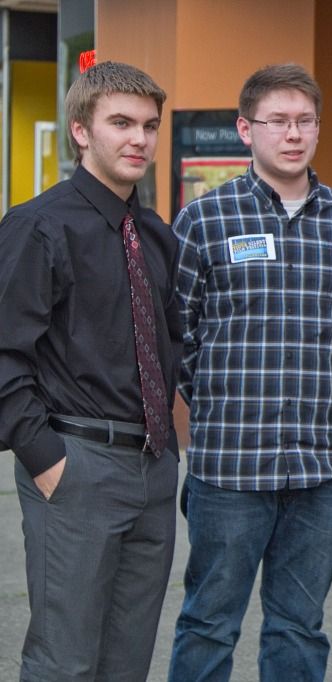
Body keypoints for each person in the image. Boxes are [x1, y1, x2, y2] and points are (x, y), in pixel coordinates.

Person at [169, 63, 332, 681]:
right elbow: (178, 333)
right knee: (209, 622)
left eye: (304, 121)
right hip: (230, 466)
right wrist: (223, 396)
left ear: (317, 128)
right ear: (246, 129)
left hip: (322, 468)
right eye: (277, 121)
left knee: (299, 625)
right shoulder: (204, 221)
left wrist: (323, 385)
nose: (293, 134)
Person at [0, 61, 179, 680]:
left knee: (127, 664)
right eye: (121, 123)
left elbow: (170, 344)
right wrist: (47, 461)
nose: (139, 139)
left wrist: (167, 454)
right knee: (65, 664)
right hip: (77, 466)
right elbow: (4, 353)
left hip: (152, 470)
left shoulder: (154, 235)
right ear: (81, 131)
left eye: (149, 126)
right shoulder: (37, 226)